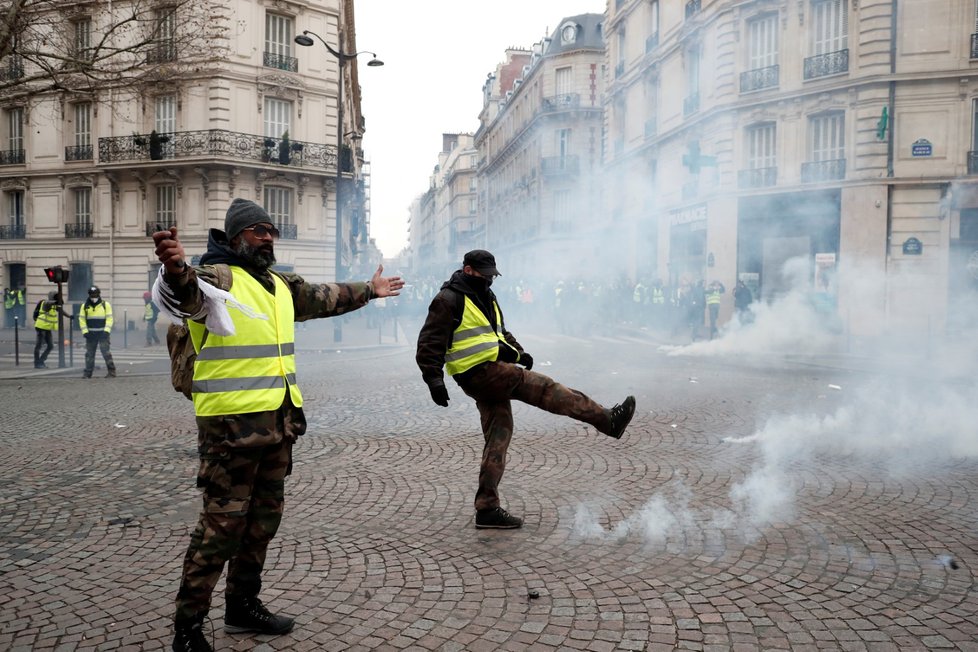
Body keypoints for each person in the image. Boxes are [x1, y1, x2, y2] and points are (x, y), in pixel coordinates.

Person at [151, 198, 404, 652]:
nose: (267, 237)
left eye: (271, 230)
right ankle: (187, 628)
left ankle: (242, 606)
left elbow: (326, 297)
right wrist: (174, 269)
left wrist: (369, 290)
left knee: (262, 523)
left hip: (278, 426)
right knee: (220, 528)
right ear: (234, 237)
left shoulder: (278, 285)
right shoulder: (216, 280)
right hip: (229, 431)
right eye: (256, 230)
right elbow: (184, 294)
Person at [416, 249, 637, 530]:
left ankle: (487, 508)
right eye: (485, 275)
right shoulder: (447, 300)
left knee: (498, 437)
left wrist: (520, 353)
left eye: (492, 276)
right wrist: (434, 381)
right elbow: (428, 343)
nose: (489, 280)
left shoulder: (487, 296)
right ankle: (608, 420)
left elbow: (499, 333)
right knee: (546, 389)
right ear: (468, 270)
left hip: (490, 373)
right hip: (480, 373)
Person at [79, 285, 116, 378]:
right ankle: (88, 373)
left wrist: (106, 331)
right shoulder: (84, 306)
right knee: (89, 355)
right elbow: (82, 320)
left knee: (106, 353)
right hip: (91, 335)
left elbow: (109, 319)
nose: (94, 297)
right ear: (89, 295)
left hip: (103, 334)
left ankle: (112, 372)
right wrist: (85, 332)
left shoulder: (105, 305)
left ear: (98, 294)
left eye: (95, 294)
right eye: (92, 295)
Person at [32, 290, 60, 368]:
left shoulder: (54, 304)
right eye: (56, 296)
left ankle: (41, 361)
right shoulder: (45, 303)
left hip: (47, 327)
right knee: (39, 345)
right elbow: (49, 304)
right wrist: (57, 301)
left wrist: (69, 316)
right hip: (41, 327)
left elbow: (60, 310)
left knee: (50, 346)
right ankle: (37, 363)